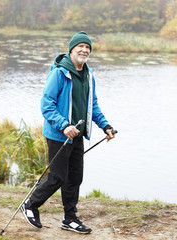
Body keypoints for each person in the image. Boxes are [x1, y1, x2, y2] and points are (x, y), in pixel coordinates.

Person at [21, 31, 115, 234]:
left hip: (78, 135)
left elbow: (93, 105)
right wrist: (64, 125)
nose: (84, 50)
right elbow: (47, 104)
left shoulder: (88, 75)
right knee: (57, 177)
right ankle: (30, 205)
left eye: (88, 47)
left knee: (74, 177)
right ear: (71, 49)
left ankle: (70, 218)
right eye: (80, 46)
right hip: (58, 135)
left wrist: (105, 126)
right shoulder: (59, 73)